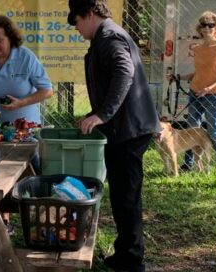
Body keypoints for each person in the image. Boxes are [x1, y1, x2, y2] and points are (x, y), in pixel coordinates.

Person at [67, 0, 161, 271]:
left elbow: (124, 72)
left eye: (76, 21)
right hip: (123, 129)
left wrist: (103, 114)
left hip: (128, 131)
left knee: (127, 197)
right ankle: (126, 253)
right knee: (122, 196)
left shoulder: (109, 36)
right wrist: (94, 114)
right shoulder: (105, 37)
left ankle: (132, 261)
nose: (76, 28)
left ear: (89, 14)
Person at [167, 11, 216, 178]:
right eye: (204, 25)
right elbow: (199, 73)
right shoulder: (197, 49)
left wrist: (209, 88)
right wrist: (179, 77)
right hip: (196, 93)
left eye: (211, 25)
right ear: (200, 29)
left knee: (213, 131)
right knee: (190, 129)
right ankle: (188, 164)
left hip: (215, 96)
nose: (207, 28)